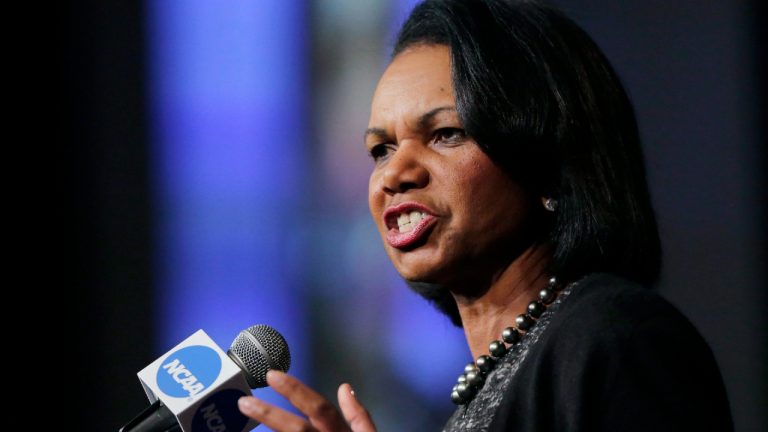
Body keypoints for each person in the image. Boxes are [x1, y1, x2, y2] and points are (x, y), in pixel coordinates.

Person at [237, 0, 733, 430]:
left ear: (547, 164)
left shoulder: (617, 340)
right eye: (382, 148)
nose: (395, 174)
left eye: (447, 134)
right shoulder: (493, 382)